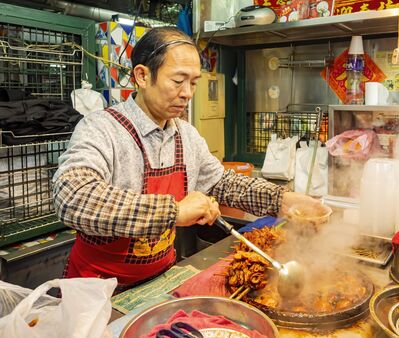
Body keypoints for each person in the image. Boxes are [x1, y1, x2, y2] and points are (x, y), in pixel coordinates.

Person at [52, 26, 325, 292]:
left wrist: (281, 200)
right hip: (95, 291)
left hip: (158, 282)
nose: (188, 93)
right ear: (143, 76)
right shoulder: (101, 128)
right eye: (178, 80)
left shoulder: (186, 135)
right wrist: (175, 212)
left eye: (194, 82)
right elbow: (72, 195)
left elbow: (223, 183)